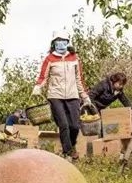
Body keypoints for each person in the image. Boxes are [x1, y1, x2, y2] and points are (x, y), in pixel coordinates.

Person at [32, 29, 91, 161]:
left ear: (67, 43)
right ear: (54, 43)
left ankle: (71, 146)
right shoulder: (50, 59)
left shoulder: (74, 58)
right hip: (55, 96)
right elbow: (43, 77)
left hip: (73, 95)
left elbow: (79, 79)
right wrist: (38, 87)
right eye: (58, 41)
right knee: (63, 124)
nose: (61, 44)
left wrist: (85, 96)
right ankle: (68, 151)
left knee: (75, 126)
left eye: (63, 41)